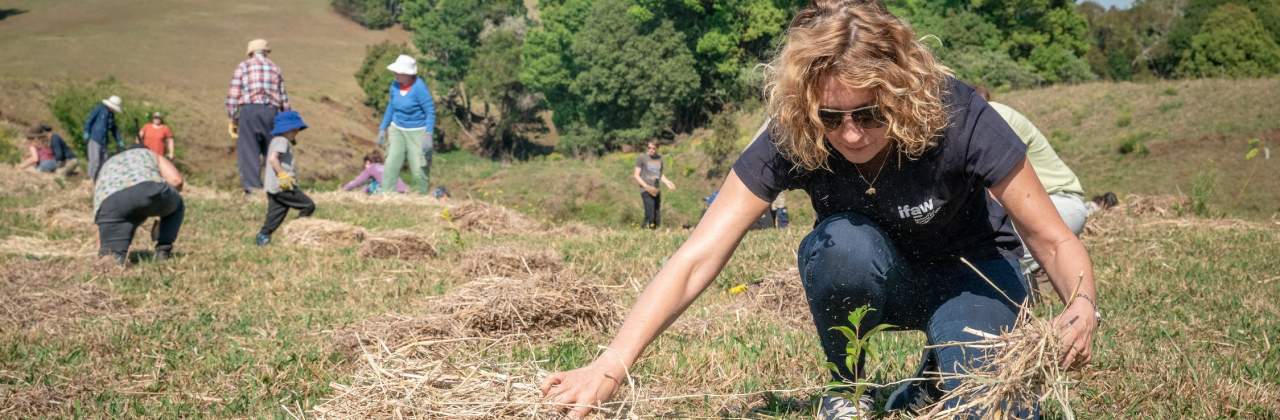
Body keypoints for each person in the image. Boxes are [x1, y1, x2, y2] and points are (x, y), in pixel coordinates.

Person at [540, 2, 1100, 419]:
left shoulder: (959, 114)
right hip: (879, 275)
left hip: (972, 275)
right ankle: (847, 387)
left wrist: (1081, 306)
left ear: (901, 93)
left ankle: (941, 370)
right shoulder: (795, 130)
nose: (851, 134)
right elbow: (697, 256)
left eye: (870, 114)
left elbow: (1052, 238)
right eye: (832, 118)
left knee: (992, 406)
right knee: (840, 246)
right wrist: (611, 364)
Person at [972, 86, 1092, 277]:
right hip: (1040, 205)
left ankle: (1019, 290)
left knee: (992, 248)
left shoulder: (990, 117)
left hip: (1057, 202)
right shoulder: (982, 117)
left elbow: (992, 189)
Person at [93, 144, 185, 265]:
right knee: (178, 204)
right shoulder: (148, 153)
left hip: (109, 204)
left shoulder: (108, 163)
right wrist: (164, 211)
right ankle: (163, 250)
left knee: (112, 257)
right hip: (146, 190)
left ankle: (113, 261)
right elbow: (176, 181)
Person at [227, 38, 291, 196]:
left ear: (250, 52)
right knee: (272, 150)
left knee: (249, 151)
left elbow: (233, 95)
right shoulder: (275, 68)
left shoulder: (243, 66)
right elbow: (284, 98)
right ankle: (274, 188)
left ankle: (253, 189)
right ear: (266, 52)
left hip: (249, 111)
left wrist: (233, 117)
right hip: (272, 112)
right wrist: (286, 120)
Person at [377, 54, 435, 195]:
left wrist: (428, 133)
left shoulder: (419, 88)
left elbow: (430, 111)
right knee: (391, 162)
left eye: (399, 72)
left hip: (417, 131)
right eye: (395, 72)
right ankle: (386, 193)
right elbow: (391, 106)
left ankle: (419, 196)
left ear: (408, 74)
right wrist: (383, 128)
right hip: (397, 129)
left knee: (418, 167)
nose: (395, 74)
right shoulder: (394, 86)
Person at [255, 111, 315, 246]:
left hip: (273, 187)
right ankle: (297, 232)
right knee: (308, 205)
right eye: (295, 130)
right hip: (283, 186)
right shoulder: (282, 140)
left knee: (275, 214)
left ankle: (263, 236)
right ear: (288, 129)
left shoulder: (275, 140)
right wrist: (283, 175)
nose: (297, 132)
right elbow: (273, 159)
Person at [632, 141, 677, 229]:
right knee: (651, 215)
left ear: (657, 148)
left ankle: (644, 231)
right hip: (645, 190)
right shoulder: (642, 157)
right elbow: (636, 175)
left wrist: (668, 182)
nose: (651, 150)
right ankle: (651, 231)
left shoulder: (659, 159)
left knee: (656, 215)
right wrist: (646, 187)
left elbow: (659, 174)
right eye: (649, 148)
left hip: (656, 190)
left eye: (653, 148)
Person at [84, 95, 124, 181]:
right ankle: (90, 180)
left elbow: (114, 129)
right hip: (94, 138)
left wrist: (119, 140)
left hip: (104, 141)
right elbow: (89, 120)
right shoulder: (99, 109)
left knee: (104, 161)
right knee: (95, 160)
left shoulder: (111, 115)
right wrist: (86, 131)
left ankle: (100, 180)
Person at [342, 151, 407, 194]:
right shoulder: (385, 167)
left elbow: (357, 181)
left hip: (391, 192)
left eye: (366, 164)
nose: (365, 166)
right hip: (403, 190)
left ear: (369, 163)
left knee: (369, 187)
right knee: (372, 184)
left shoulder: (371, 168)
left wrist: (344, 189)